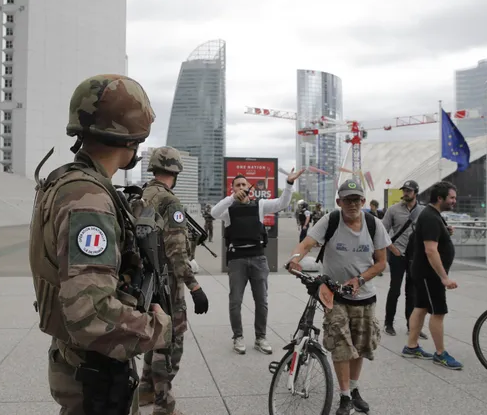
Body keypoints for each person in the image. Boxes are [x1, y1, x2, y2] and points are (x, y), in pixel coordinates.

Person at [29, 74, 172, 415]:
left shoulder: (69, 182)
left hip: (83, 362)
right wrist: (156, 328)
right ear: (132, 138)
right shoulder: (87, 199)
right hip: (94, 373)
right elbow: (91, 313)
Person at [288, 179, 389, 415]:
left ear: (363, 201)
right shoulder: (331, 220)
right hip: (335, 296)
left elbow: (382, 263)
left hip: (365, 296)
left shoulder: (374, 224)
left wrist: (360, 279)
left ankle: (353, 389)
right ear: (339, 202)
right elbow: (307, 243)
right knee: (341, 346)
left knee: (360, 346)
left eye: (356, 199)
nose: (352, 204)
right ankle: (344, 396)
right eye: (347, 200)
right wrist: (295, 258)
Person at [138, 146, 209, 415]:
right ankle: (163, 405)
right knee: (170, 343)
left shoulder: (143, 194)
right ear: (176, 172)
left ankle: (145, 389)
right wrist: (195, 286)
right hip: (168, 284)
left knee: (154, 334)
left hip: (146, 282)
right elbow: (177, 252)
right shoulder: (171, 203)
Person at [211, 168, 304, 355]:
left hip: (258, 259)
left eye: (244, 184)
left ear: (249, 188)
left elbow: (282, 203)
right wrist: (232, 198)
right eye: (237, 185)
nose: (241, 187)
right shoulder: (228, 208)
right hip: (237, 260)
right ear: (232, 188)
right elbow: (214, 213)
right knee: (235, 301)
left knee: (261, 301)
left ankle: (260, 338)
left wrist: (289, 184)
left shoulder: (259, 205)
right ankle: (238, 337)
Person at [404, 181, 463, 370]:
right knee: (438, 312)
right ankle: (440, 354)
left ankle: (411, 346)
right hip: (430, 275)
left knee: (420, 307)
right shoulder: (430, 217)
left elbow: (432, 240)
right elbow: (431, 250)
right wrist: (444, 277)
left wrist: (446, 233)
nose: (454, 201)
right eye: (451, 197)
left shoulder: (433, 215)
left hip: (423, 272)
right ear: (440, 198)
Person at [381, 180, 428, 339]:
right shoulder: (393, 210)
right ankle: (388, 323)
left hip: (415, 257)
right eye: (404, 190)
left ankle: (412, 326)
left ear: (416, 192)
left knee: (412, 292)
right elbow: (382, 231)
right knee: (395, 290)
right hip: (397, 254)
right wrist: (392, 249)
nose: (406, 193)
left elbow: (431, 230)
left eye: (409, 191)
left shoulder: (423, 211)